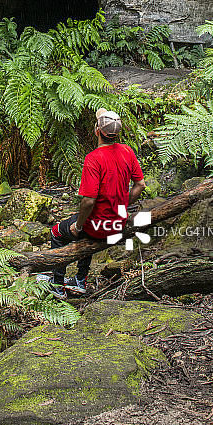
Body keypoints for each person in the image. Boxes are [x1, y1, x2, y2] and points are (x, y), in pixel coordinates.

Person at [39, 108, 146, 298]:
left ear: (97, 130)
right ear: (116, 133)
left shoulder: (94, 159)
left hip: (97, 226)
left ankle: (57, 285)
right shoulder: (127, 152)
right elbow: (140, 185)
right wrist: (122, 207)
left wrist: (78, 226)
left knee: (57, 232)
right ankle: (80, 280)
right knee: (83, 233)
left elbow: (88, 201)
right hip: (118, 223)